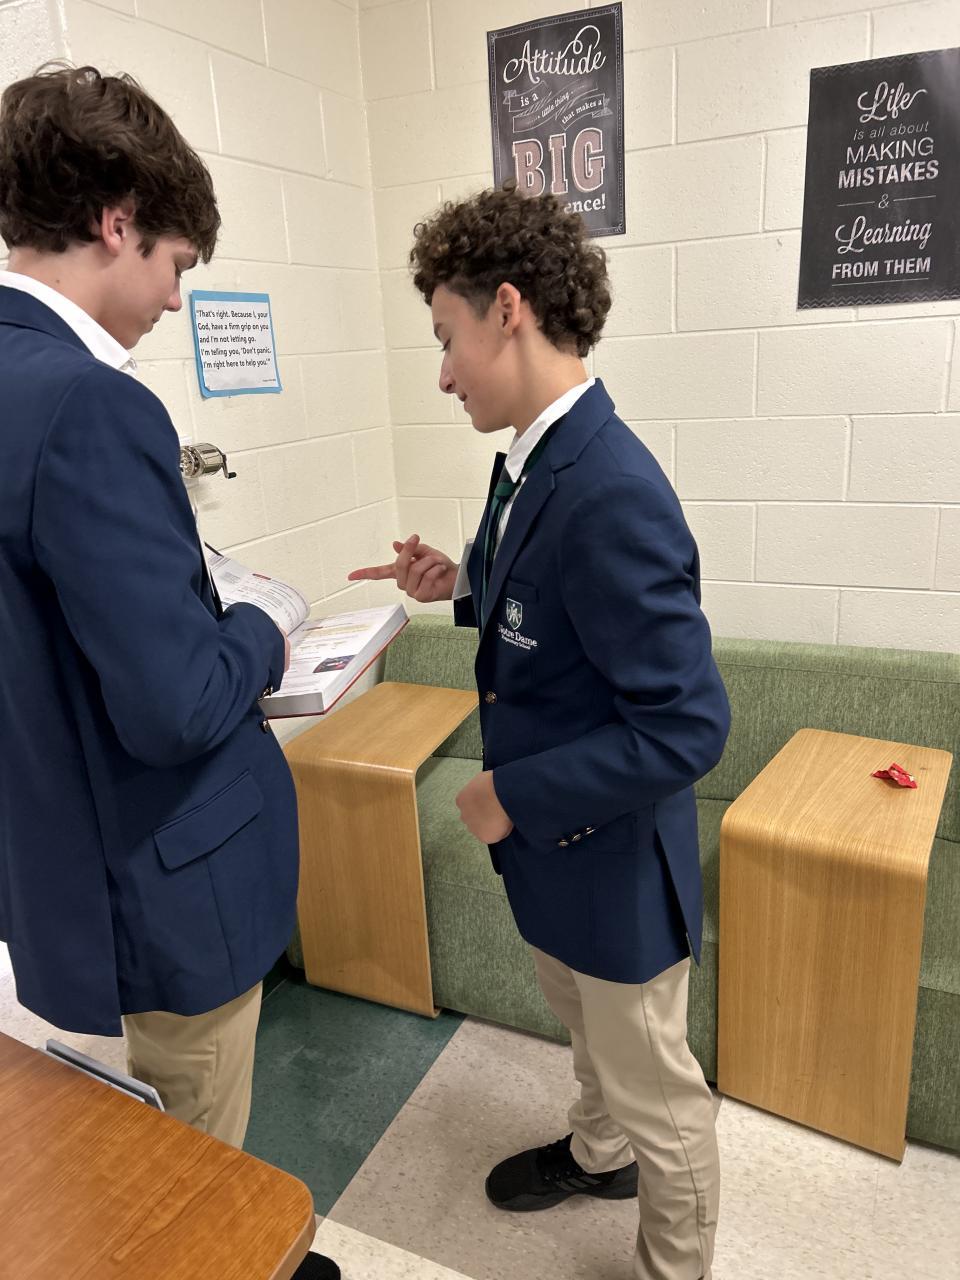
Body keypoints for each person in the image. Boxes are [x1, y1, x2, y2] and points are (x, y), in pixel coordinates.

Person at [350, 185, 730, 1280]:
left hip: (610, 861)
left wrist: (509, 794)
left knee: (661, 1097)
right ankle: (598, 1155)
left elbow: (688, 725)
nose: (442, 372)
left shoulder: (611, 488)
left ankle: (673, 1265)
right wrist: (463, 584)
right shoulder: (528, 459)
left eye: (445, 337)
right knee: (588, 1037)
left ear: (507, 309)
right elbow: (554, 608)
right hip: (552, 854)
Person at [0, 64, 336, 1280]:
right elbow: (178, 702)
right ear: (117, 221)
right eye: (178, 265)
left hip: (59, 869)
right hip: (166, 880)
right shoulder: (90, 404)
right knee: (192, 1193)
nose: (175, 299)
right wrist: (260, 625)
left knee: (136, 1158)